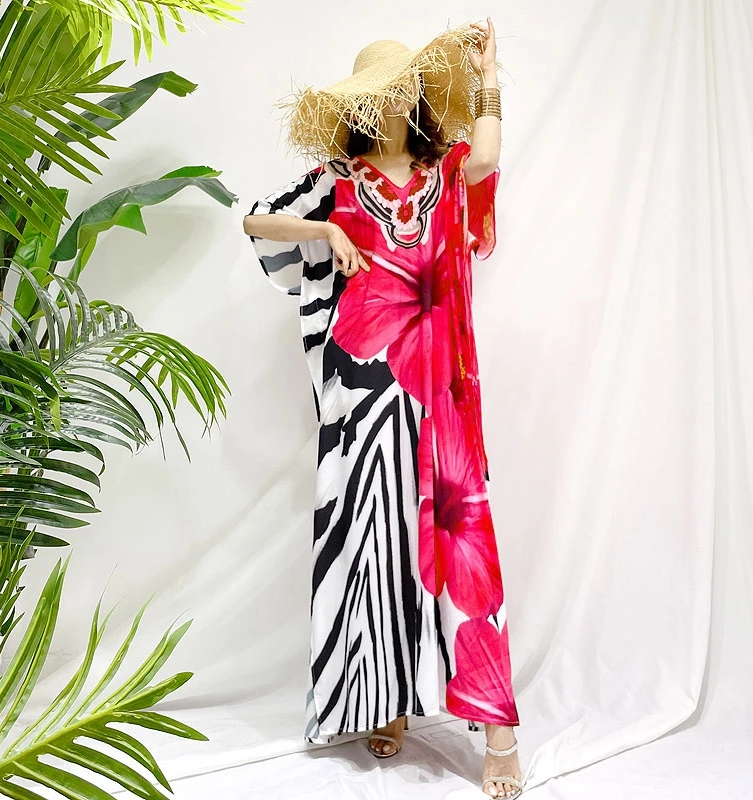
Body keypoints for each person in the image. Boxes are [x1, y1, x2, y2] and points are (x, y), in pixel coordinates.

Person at [242, 17, 522, 799]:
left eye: (403, 89)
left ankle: (499, 733)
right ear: (359, 106)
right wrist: (325, 228)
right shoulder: (339, 176)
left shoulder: (443, 168)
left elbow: (488, 155)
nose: (393, 103)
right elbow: (256, 219)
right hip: (362, 391)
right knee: (374, 539)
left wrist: (488, 77)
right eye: (377, 93)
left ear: (418, 95)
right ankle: (385, 701)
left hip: (439, 389)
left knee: (457, 538)